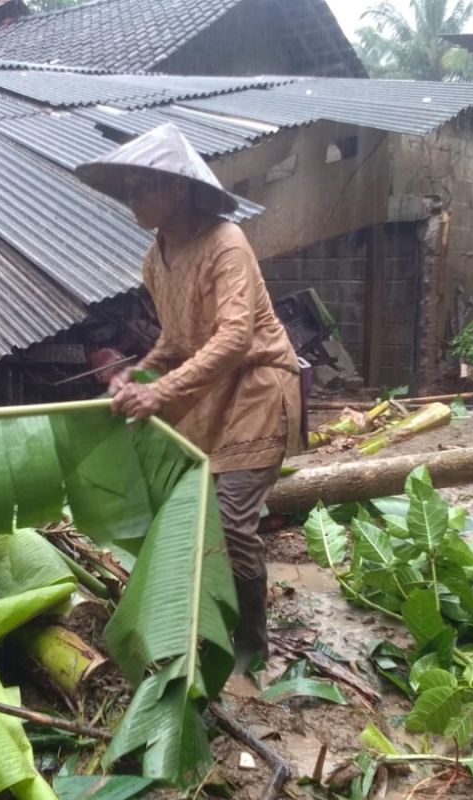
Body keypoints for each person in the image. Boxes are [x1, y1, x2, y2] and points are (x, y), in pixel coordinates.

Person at [75, 124, 302, 672]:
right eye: (126, 189)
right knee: (194, 514)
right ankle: (205, 621)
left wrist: (164, 392)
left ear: (176, 190)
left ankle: (251, 643)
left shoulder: (226, 243)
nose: (132, 199)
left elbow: (234, 338)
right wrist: (140, 378)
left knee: (229, 520)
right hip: (212, 393)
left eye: (142, 187)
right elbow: (177, 339)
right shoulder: (156, 259)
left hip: (256, 388)